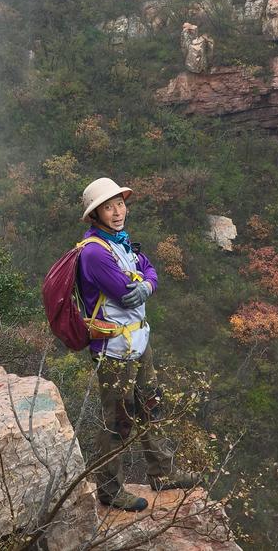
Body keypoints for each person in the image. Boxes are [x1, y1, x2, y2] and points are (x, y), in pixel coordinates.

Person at [78, 177, 199, 512]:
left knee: (150, 406)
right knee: (117, 420)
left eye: (120, 204)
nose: (117, 212)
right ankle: (109, 490)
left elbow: (148, 270)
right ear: (95, 215)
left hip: (139, 341)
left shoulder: (122, 242)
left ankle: (162, 472)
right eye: (108, 207)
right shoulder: (94, 253)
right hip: (115, 349)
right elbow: (127, 293)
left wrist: (148, 282)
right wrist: (146, 284)